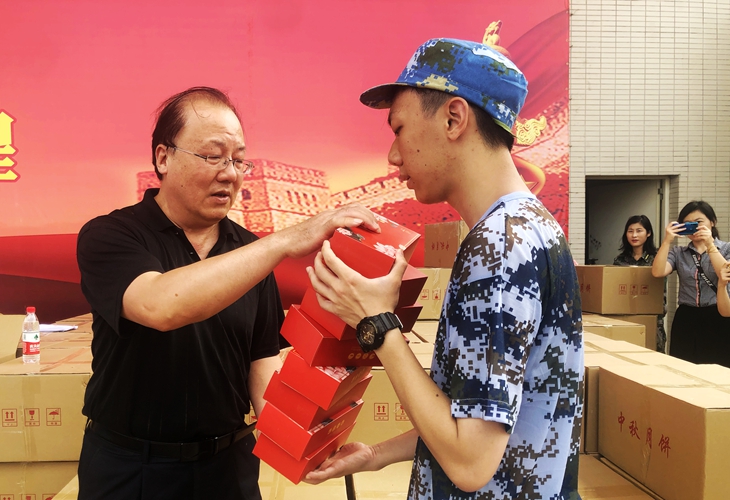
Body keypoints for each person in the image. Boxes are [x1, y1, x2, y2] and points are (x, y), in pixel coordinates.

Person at [304, 38, 584, 498]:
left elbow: (470, 463)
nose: (393, 156)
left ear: (454, 118)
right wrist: (375, 454)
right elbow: (484, 419)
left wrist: (378, 324)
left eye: (399, 129)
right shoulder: (531, 225)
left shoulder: (498, 247)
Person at [75, 86, 379, 500]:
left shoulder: (250, 252)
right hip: (130, 468)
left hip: (228, 468)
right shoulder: (112, 235)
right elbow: (159, 305)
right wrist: (284, 241)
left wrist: (302, 442)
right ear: (163, 158)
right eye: (213, 156)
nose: (230, 174)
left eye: (238, 160)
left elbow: (261, 364)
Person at [652, 200, 730, 367]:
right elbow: (658, 272)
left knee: (718, 367)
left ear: (712, 222)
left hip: (717, 314)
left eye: (698, 222)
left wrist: (710, 245)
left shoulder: (726, 249)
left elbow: (724, 274)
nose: (694, 228)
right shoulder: (678, 252)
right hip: (686, 316)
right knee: (683, 366)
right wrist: (667, 241)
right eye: (688, 224)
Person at [612, 215, 667, 352]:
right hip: (624, 317)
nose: (634, 235)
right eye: (630, 231)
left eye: (639, 230)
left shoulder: (657, 258)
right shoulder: (620, 260)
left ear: (648, 233)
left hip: (652, 318)